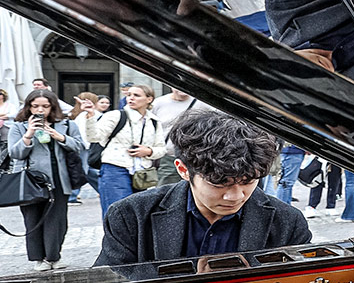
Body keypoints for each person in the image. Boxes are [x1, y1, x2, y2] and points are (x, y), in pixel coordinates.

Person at [93, 111, 310, 266]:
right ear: (183, 170)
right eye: (219, 183)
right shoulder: (131, 215)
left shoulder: (288, 222)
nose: (235, 196)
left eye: (248, 181)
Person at [6, 90, 86, 271]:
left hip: (58, 178)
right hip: (30, 180)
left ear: (53, 107)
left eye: (45, 106)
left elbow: (79, 146)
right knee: (32, 219)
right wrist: (29, 134)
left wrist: (61, 137)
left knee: (57, 220)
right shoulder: (18, 126)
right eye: (35, 106)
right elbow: (15, 153)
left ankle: (54, 256)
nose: (40, 110)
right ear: (28, 107)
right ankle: (38, 258)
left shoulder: (66, 124)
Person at [86, 84, 162, 216]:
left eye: (136, 95)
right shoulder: (115, 115)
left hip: (142, 173)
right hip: (114, 169)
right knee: (117, 214)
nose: (131, 98)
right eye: (129, 95)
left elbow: (161, 149)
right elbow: (94, 137)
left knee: (139, 215)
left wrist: (148, 151)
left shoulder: (154, 121)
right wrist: (90, 115)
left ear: (149, 99)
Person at [150, 88, 209, 186]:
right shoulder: (159, 103)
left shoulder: (203, 103)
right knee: (167, 189)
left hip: (194, 157)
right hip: (168, 157)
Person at [67, 92, 101, 204]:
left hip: (85, 146)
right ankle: (73, 196)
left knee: (86, 170)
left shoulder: (93, 114)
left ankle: (73, 195)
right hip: (82, 145)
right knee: (86, 170)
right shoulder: (77, 114)